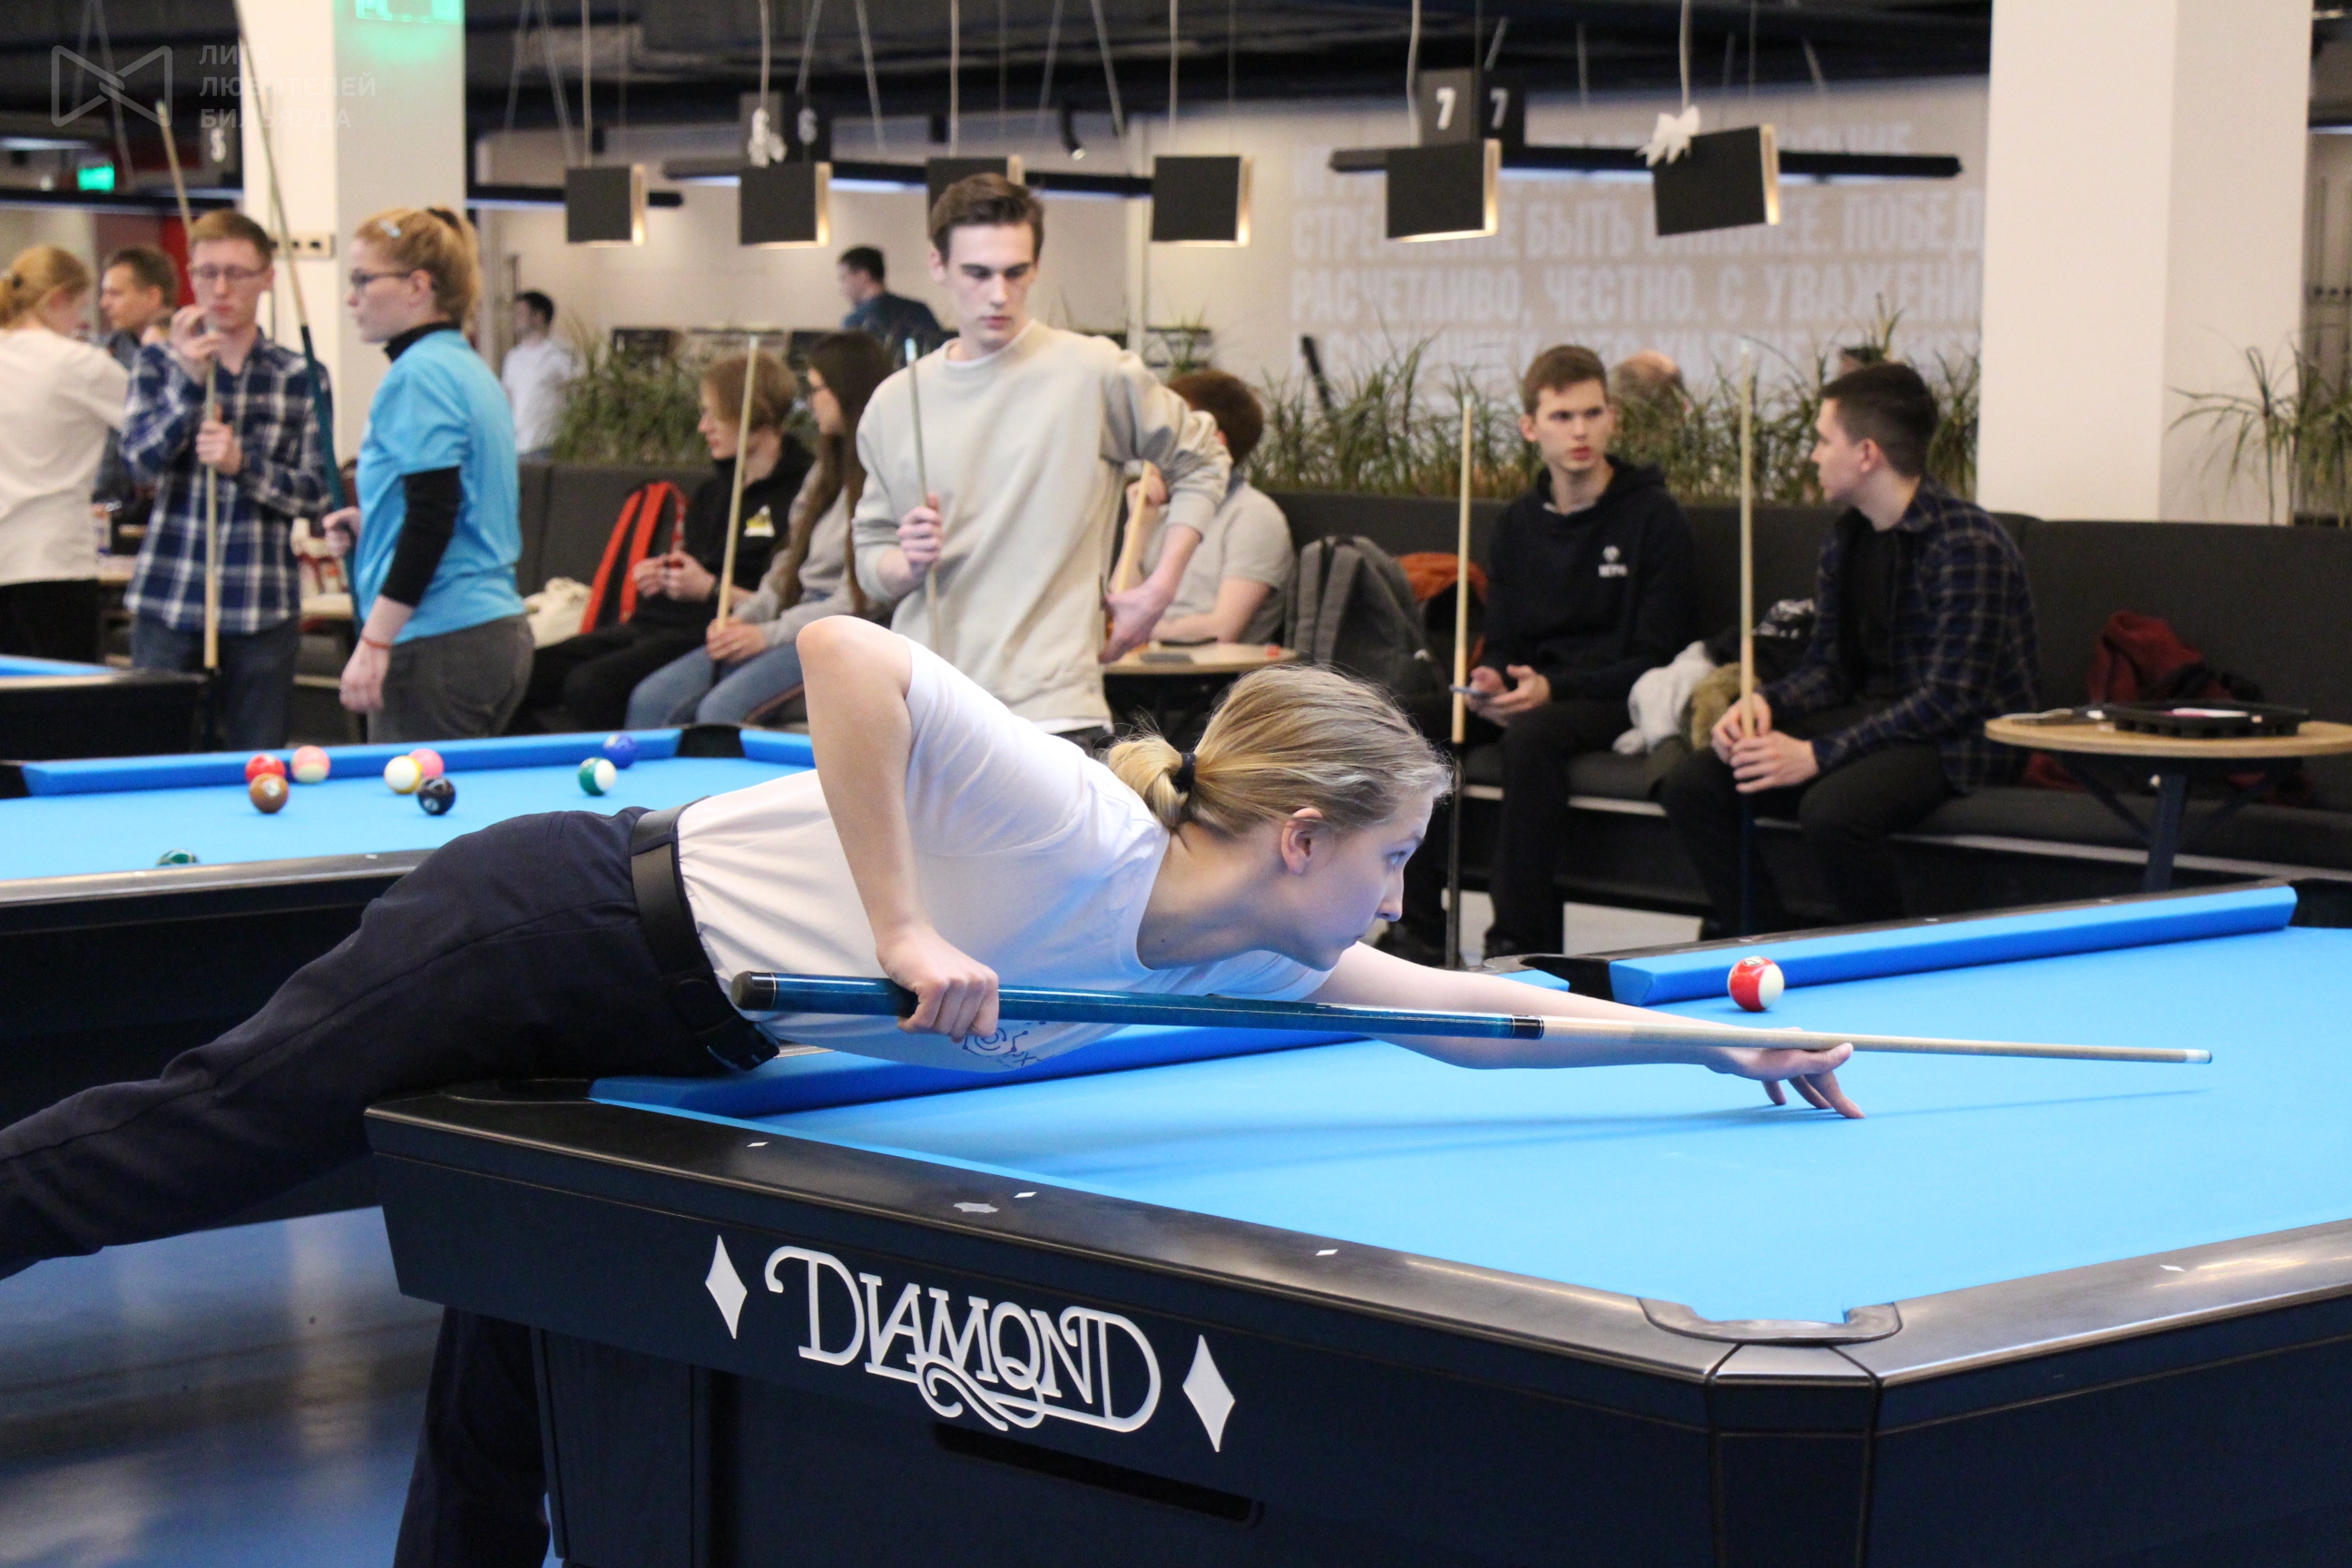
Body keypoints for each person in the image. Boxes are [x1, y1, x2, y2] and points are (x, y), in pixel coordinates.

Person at [0, 612, 1859, 1561]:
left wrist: (1711, 1036)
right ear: (1300, 834)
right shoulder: (1079, 826)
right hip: (549, 929)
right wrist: (901, 920)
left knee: (516, 1354)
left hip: (663, 1028)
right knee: (192, 1147)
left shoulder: (1248, 952)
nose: (1395, 900)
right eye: (1389, 860)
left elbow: (1470, 1015)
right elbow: (844, 654)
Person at [1660, 361, 2039, 935]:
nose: (1813, 455)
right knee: (1693, 784)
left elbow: (1949, 701)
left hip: (1958, 741)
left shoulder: (1967, 543)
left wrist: (1817, 755)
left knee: (1834, 811)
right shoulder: (1847, 537)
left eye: (1822, 440)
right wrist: (1764, 703)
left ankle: (1883, 965)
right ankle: (1765, 944)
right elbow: (1828, 670)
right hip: (1873, 718)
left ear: (1866, 454)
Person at [855, 174, 1230, 750]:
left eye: (1015, 272)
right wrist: (905, 564)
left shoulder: (1093, 372)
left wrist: (1159, 590)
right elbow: (870, 555)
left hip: (1055, 712)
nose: (998, 294)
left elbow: (1203, 457)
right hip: (927, 708)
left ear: (1034, 268)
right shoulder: (895, 402)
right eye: (978, 273)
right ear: (938, 264)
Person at [1386, 345, 1698, 964]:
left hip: (1617, 695)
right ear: (1531, 427)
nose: (1580, 431)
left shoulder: (1654, 517)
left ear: (1612, 419)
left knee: (1532, 736)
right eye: (1562, 417)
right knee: (1409, 719)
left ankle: (1515, 940)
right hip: (1532, 692)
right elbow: (1504, 638)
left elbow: (1657, 656)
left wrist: (1553, 690)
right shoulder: (1518, 523)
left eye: (1592, 414)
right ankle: (1416, 928)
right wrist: (1491, 679)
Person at [318, 207, 533, 743]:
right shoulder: (466, 366)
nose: (351, 299)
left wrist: (375, 642)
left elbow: (433, 516)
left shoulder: (418, 376)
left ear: (418, 287)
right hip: (491, 631)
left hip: (438, 638)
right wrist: (373, 525)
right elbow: (455, 501)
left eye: (363, 280)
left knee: (414, 801)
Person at [120, 211, 328, 750]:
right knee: (155, 758)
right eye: (207, 272)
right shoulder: (158, 363)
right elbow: (138, 465)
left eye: (236, 273)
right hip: (170, 595)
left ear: (267, 278)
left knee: (257, 763)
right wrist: (189, 385)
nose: (220, 288)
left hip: (261, 602)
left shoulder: (300, 375)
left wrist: (243, 466)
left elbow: (316, 494)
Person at [522, 349, 810, 732]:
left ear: (752, 415)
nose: (703, 427)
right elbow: (690, 563)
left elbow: (786, 601)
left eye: (714, 415)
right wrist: (663, 574)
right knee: (527, 673)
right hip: (657, 621)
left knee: (591, 685)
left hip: (711, 629)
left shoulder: (803, 495)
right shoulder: (715, 491)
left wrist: (709, 588)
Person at [627, 331, 896, 729]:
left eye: (817, 390)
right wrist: (747, 618)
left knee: (720, 713)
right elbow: (787, 563)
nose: (809, 402)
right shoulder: (825, 472)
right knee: (651, 699)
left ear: (847, 391)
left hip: (841, 636)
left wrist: (767, 635)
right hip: (793, 621)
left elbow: (860, 601)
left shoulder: (886, 477)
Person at [0, 247, 128, 662]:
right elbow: (150, 422)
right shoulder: (78, 363)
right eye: (79, 307)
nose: (80, 321)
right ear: (58, 299)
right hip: (54, 561)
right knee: (65, 694)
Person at [1129, 369, 1294, 647]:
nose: (1154, 446)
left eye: (1169, 432)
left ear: (1213, 442)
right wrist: (1138, 526)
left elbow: (1222, 629)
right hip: (1144, 665)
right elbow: (1115, 610)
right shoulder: (1161, 513)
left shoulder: (1254, 516)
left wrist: (1134, 630)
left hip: (1208, 671)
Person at [92, 245, 177, 524]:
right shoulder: (103, 355)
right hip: (109, 508)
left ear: (152, 296)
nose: (104, 304)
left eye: (115, 294)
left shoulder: (194, 353)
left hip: (172, 508)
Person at [500, 289, 578, 458]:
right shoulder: (514, 357)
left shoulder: (561, 353)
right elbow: (508, 397)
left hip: (548, 443)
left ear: (538, 316)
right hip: (518, 444)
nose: (515, 318)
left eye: (521, 313)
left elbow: (578, 392)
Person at [837, 245, 943, 356]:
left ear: (863, 277)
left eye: (843, 278)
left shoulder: (856, 323)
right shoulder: (920, 310)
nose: (841, 288)